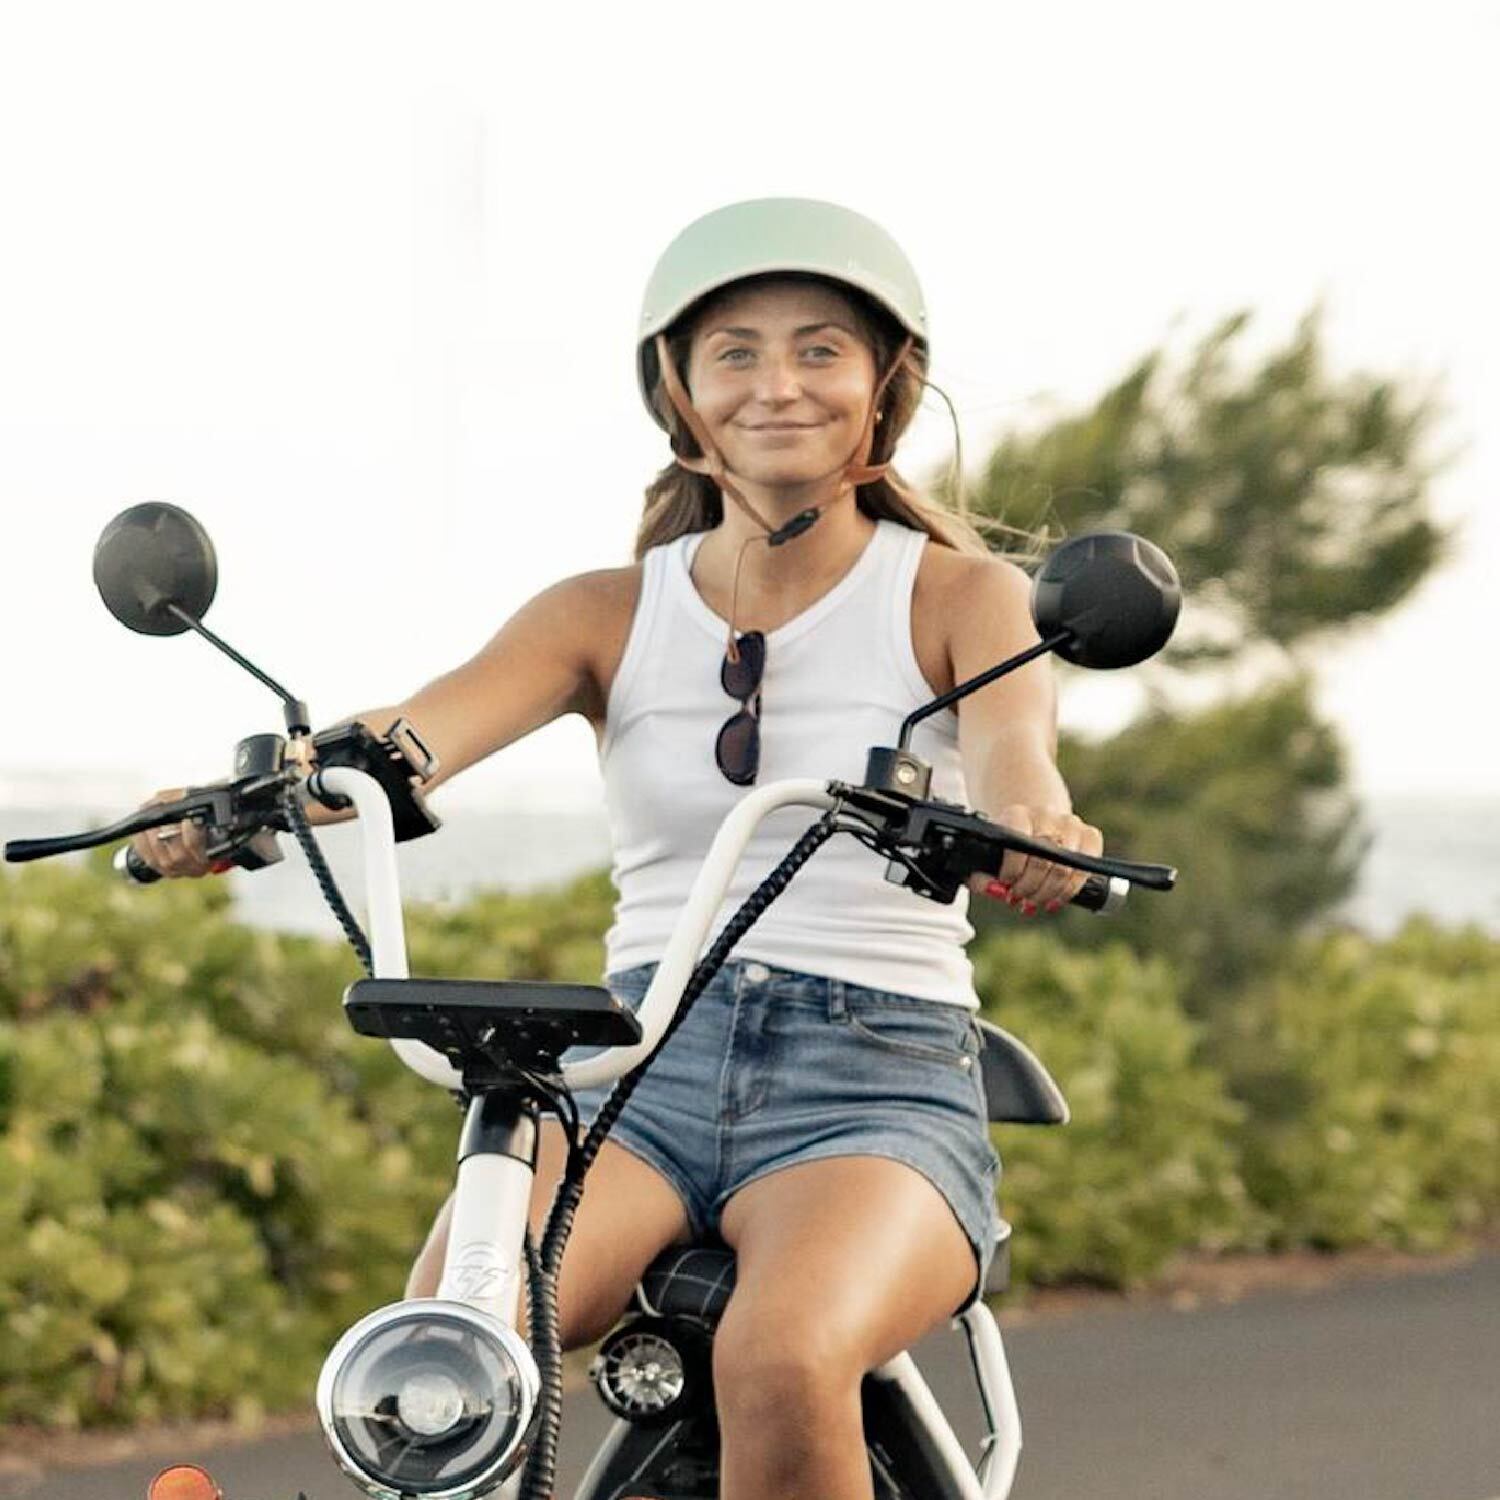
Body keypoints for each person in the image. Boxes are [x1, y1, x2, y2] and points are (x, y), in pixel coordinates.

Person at [134, 197, 1102, 1500]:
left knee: (782, 1355)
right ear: (678, 393)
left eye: (821, 350)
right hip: (633, 1065)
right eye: (736, 353)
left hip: (873, 1072)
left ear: (886, 386)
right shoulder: (602, 613)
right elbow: (407, 740)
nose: (778, 384)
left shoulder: (961, 596)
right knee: (445, 1354)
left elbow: (1017, 753)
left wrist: (1035, 827)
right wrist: (246, 799)